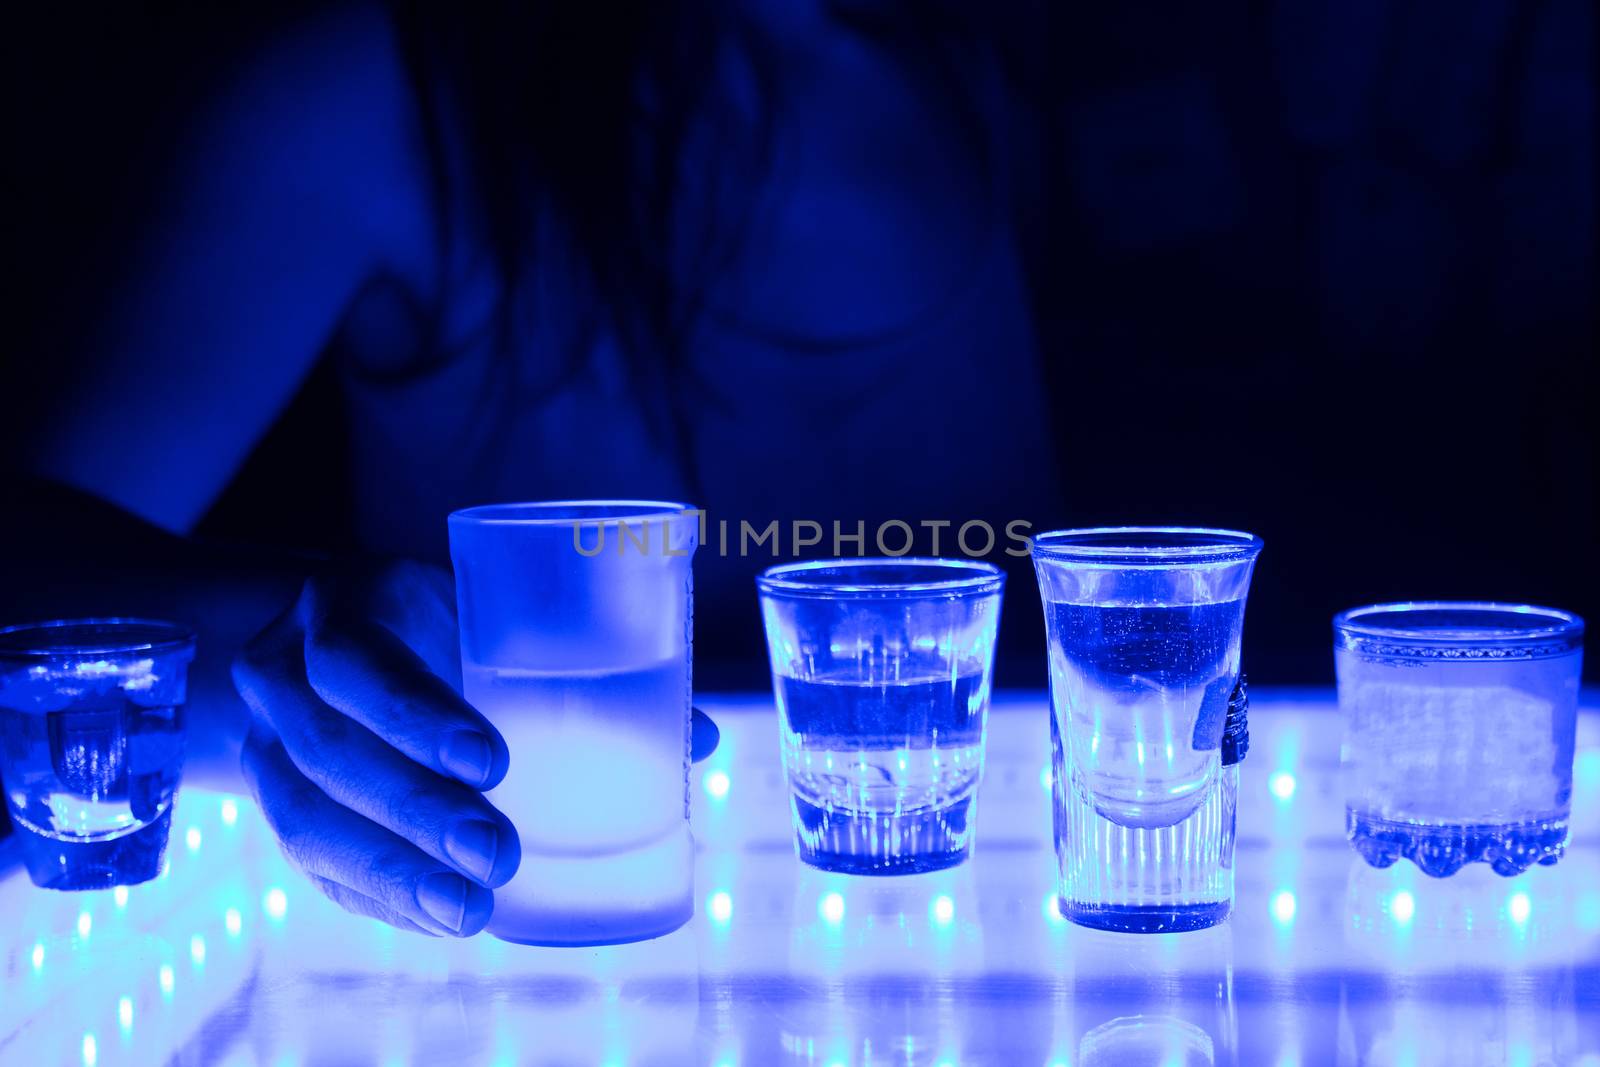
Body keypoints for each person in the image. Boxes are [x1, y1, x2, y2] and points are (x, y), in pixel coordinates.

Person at [5, 4, 1057, 936]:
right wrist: (295, 659)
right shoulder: (372, 97)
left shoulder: (981, 63)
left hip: (985, 956)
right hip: (541, 976)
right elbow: (23, 561)